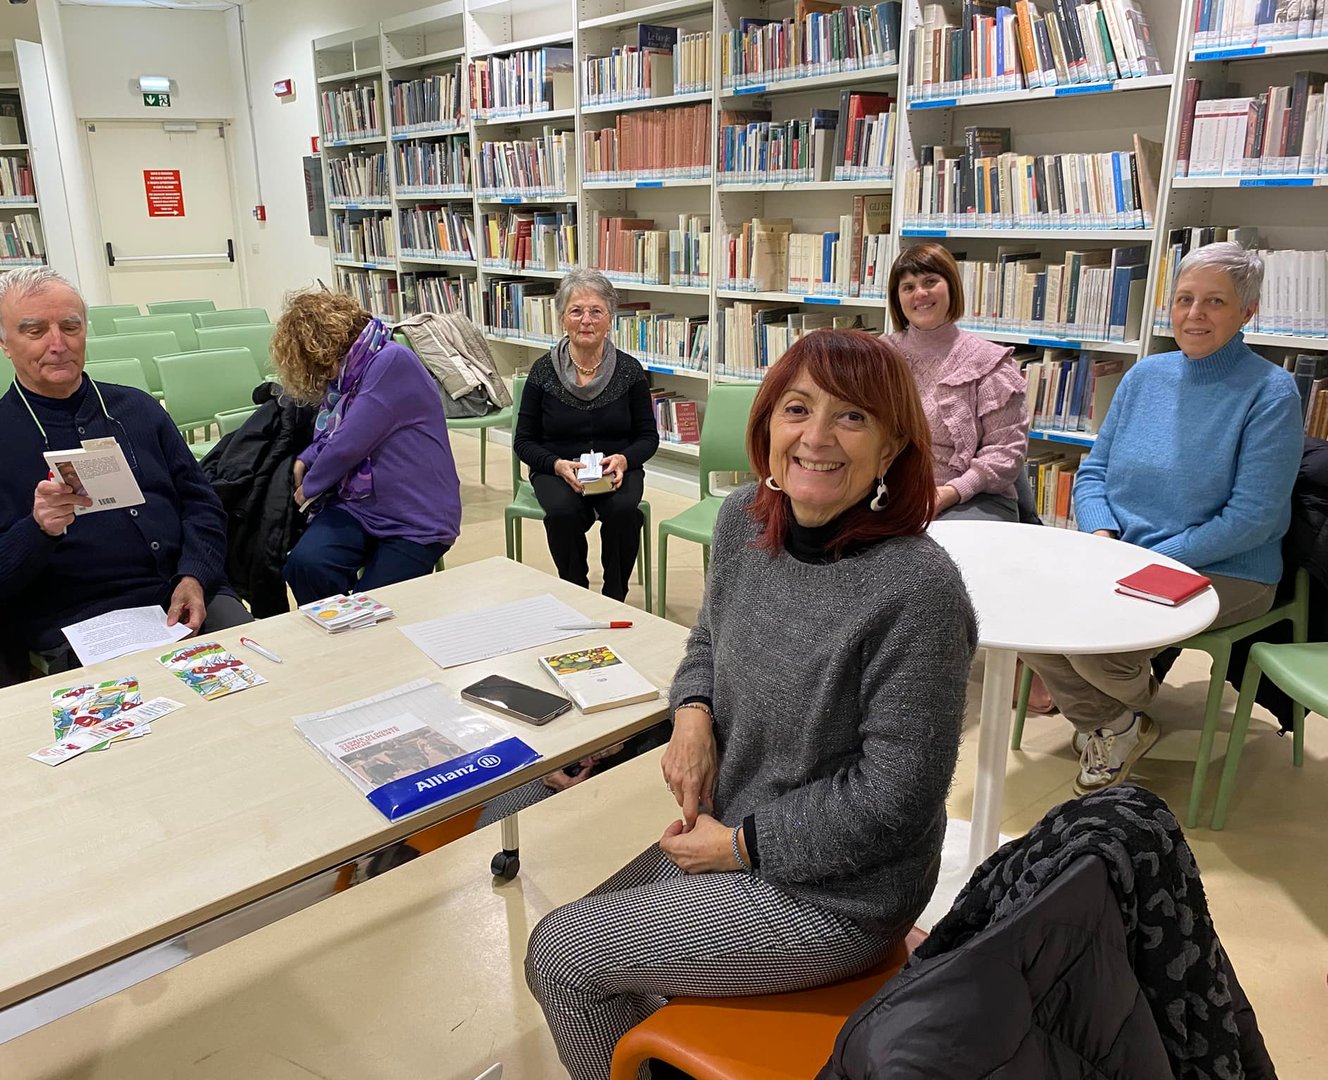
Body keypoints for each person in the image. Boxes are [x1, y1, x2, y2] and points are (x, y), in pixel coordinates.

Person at [524, 330, 979, 1080]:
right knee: (589, 953)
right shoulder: (744, 520)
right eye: (798, 409)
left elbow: (895, 798)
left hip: (842, 896)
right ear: (767, 425)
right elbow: (708, 638)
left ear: (892, 449)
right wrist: (694, 714)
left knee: (565, 957)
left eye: (853, 418)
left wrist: (740, 850)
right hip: (737, 828)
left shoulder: (917, 591)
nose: (817, 437)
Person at [1020, 242, 1303, 795]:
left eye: (1215, 302)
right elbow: (1095, 471)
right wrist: (1102, 534)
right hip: (1122, 553)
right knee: (1034, 622)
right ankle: (1117, 723)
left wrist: (1148, 560)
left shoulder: (1271, 392)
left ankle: (1117, 711)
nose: (1194, 314)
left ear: (1247, 313)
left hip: (1229, 566)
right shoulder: (1146, 375)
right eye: (1184, 299)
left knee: (1096, 643)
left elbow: (1253, 517)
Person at [0, 266, 251, 673]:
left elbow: (203, 504)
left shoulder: (138, 410)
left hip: (182, 593)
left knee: (255, 671)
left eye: (70, 326)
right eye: (35, 331)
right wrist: (38, 530)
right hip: (82, 621)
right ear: (3, 341)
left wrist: (195, 575)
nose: (58, 344)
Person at [276, 288, 460, 604]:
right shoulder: (350, 373)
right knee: (305, 565)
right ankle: (338, 642)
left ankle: (359, 642)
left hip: (416, 518)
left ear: (326, 347)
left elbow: (350, 442)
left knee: (371, 606)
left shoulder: (391, 361)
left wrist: (308, 488)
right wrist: (307, 457)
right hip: (361, 507)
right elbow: (338, 430)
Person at [514, 268, 658, 602]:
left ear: (611, 319)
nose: (586, 320)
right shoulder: (542, 371)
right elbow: (524, 440)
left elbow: (648, 437)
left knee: (624, 512)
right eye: (576, 311)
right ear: (562, 318)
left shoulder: (629, 371)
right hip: (558, 467)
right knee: (562, 513)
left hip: (615, 467)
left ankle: (614, 595)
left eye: (596, 311)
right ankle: (576, 591)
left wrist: (625, 459)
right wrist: (556, 464)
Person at [885, 242, 1029, 522]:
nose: (920, 294)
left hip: (971, 498)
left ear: (951, 286)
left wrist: (949, 493)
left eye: (930, 282)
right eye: (908, 287)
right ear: (898, 298)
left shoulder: (990, 362)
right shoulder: (878, 356)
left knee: (937, 556)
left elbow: (1006, 452)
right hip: (891, 493)